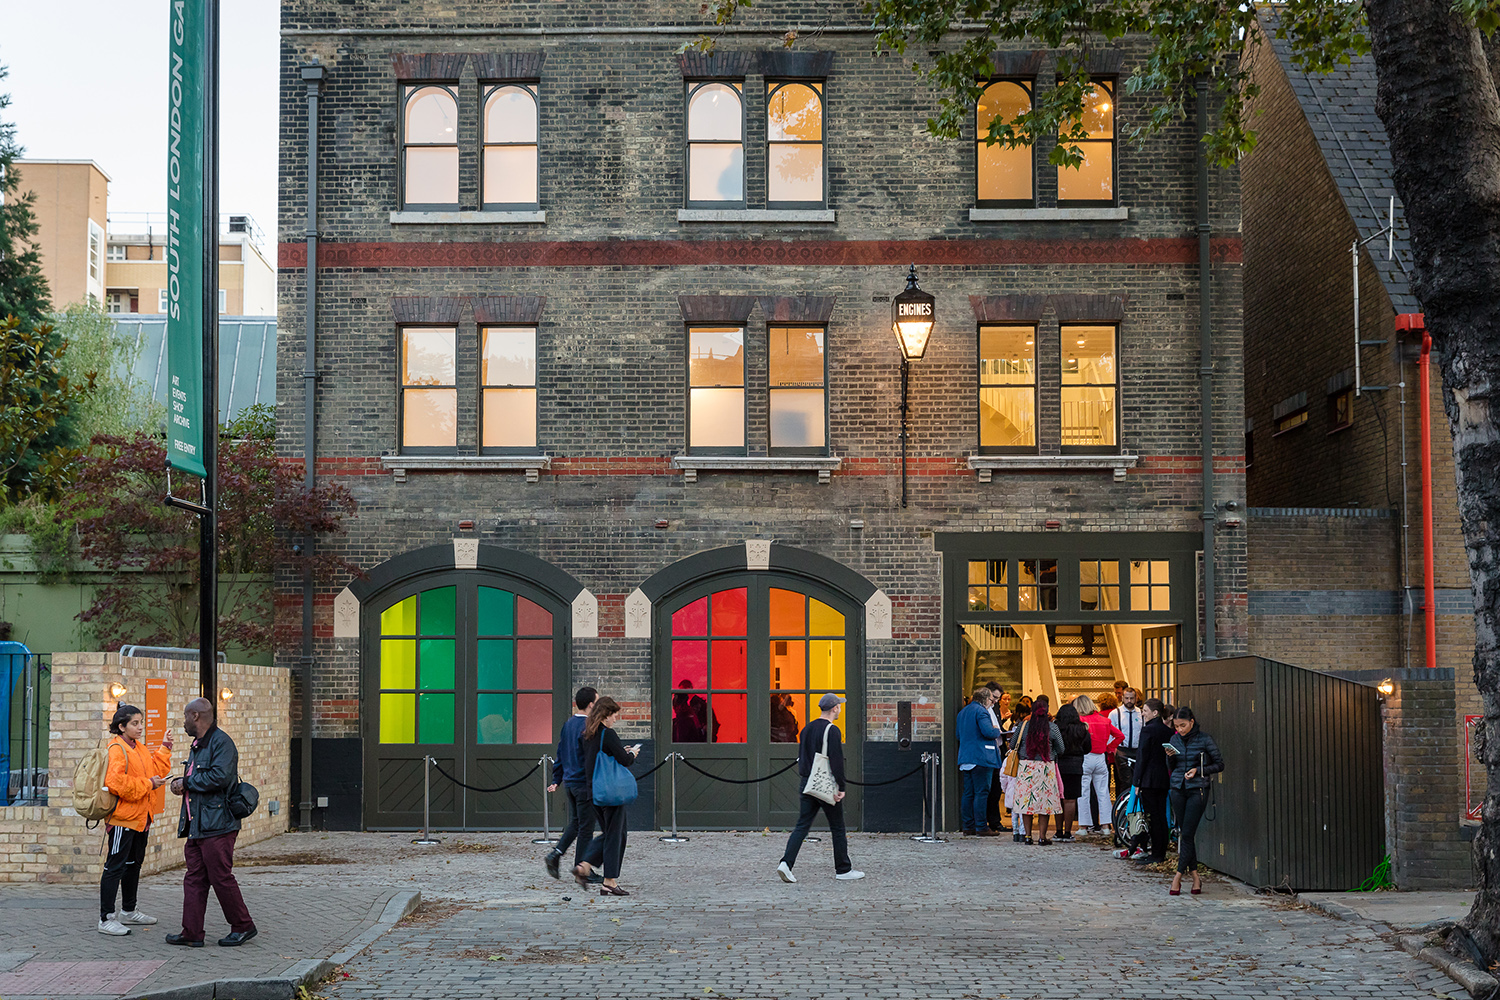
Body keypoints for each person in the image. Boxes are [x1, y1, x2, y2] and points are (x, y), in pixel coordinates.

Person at [166, 697, 257, 948]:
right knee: (194, 877)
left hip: (218, 825)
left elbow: (219, 776)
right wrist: (181, 781)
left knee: (220, 877)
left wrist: (186, 782)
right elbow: (199, 776)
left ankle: (243, 925)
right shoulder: (198, 744)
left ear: (196, 716)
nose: (183, 722)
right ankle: (192, 932)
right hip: (198, 825)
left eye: (185, 716)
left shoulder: (221, 743)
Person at [98, 705, 174, 935]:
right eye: (135, 723)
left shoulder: (138, 747)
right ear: (121, 727)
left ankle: (129, 911)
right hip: (123, 818)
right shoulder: (116, 748)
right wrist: (148, 785)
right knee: (115, 866)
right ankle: (106, 918)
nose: (140, 727)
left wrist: (165, 747)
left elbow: (154, 771)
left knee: (133, 865)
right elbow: (116, 783)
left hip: (141, 817)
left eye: (141, 723)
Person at [777, 694, 865, 882]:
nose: (840, 709)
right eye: (839, 706)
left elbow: (803, 755)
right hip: (825, 784)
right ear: (834, 708)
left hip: (807, 782)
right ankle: (843, 870)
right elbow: (836, 760)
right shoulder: (832, 730)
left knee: (802, 826)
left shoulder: (807, 728)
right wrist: (841, 786)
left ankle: (786, 863)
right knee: (838, 827)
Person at [573, 696, 641, 896]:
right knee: (616, 835)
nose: (615, 719)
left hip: (594, 790)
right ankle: (606, 880)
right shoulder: (608, 734)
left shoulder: (589, 734)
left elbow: (596, 758)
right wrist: (632, 753)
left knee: (613, 834)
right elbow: (625, 761)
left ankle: (587, 868)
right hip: (611, 792)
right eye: (614, 715)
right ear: (605, 716)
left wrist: (620, 750)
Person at [1167, 706, 1225, 895]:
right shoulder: (1174, 739)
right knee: (1185, 832)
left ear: (1192, 722)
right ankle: (1195, 876)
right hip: (1177, 787)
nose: (1180, 730)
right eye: (1177, 726)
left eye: (1183, 725)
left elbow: (1219, 764)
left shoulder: (1204, 739)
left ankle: (1177, 876)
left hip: (1197, 789)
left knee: (1188, 832)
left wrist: (1199, 771)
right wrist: (1169, 757)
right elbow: (1172, 766)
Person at [544, 687, 597, 881]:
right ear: (591, 704)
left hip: (570, 783)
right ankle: (582, 871)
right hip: (584, 783)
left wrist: (557, 779)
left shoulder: (568, 725)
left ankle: (555, 855)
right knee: (585, 829)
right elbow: (591, 757)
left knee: (576, 823)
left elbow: (561, 753)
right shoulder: (589, 726)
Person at [1010, 696, 1063, 845]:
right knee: (1044, 804)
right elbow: (1061, 748)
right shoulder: (1052, 727)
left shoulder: (1023, 726)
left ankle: (1027, 836)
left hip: (1026, 767)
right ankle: (1042, 837)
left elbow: (1013, 744)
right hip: (1046, 767)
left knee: (1026, 804)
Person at [1129, 697, 1173, 864]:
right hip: (1162, 778)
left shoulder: (1148, 730)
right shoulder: (1168, 731)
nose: (1143, 714)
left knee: (1152, 818)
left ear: (1155, 713)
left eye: (1146, 711)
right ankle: (1161, 850)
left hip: (1148, 779)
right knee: (1161, 816)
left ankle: (1156, 854)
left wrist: (1137, 781)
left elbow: (1142, 757)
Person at [1075, 694, 1124, 833]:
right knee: (1103, 792)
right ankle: (1106, 825)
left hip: (1085, 757)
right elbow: (1120, 735)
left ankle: (1084, 826)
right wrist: (1108, 748)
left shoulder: (1080, 721)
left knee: (1083, 792)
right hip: (1101, 757)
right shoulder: (1104, 720)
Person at [956, 688, 1001, 836]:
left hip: (966, 757)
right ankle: (981, 826)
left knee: (968, 793)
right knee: (981, 792)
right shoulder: (982, 711)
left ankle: (968, 826)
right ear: (984, 699)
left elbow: (958, 734)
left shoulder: (963, 712)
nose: (992, 703)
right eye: (990, 700)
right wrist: (996, 730)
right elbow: (988, 732)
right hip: (981, 757)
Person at [1053, 703, 1090, 841]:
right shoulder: (1082, 729)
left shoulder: (1056, 728)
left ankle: (1058, 831)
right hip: (1075, 765)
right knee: (1070, 800)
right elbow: (1088, 748)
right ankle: (1068, 832)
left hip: (1059, 765)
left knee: (1058, 799)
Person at [987, 688, 1013, 833]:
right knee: (990, 789)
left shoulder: (993, 709)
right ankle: (991, 822)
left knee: (996, 789)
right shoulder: (985, 710)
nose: (996, 701)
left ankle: (994, 821)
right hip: (990, 752)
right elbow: (991, 730)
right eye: (994, 698)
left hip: (998, 750)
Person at [1109, 688, 1144, 797]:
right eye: (1127, 698)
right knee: (1125, 780)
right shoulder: (1115, 713)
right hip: (1122, 751)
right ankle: (1123, 807)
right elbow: (1110, 732)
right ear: (1123, 698)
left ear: (1136, 698)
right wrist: (1113, 749)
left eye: (1131, 698)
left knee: (1138, 779)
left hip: (1137, 750)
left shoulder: (1140, 713)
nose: (1129, 701)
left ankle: (1136, 805)